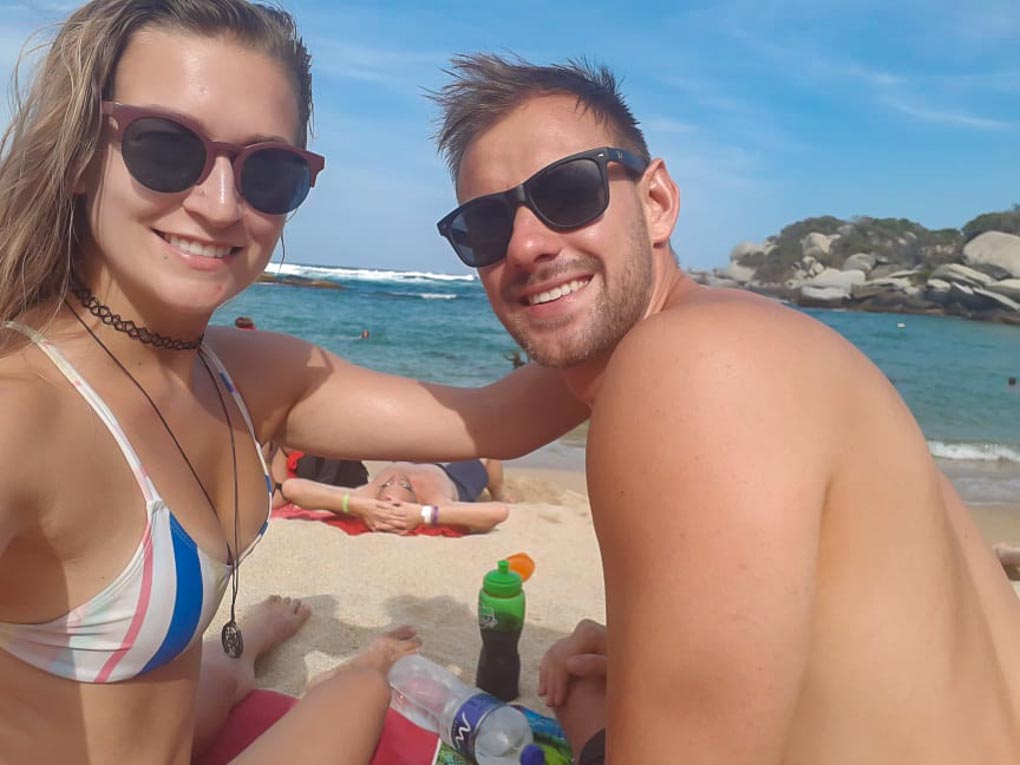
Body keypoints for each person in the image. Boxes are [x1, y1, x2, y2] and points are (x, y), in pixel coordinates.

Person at [0, 8, 587, 763]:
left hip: (171, 718)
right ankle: (345, 667)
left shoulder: (248, 374)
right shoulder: (24, 413)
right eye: (164, 147)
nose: (219, 204)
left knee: (265, 672)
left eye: (267, 170)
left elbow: (492, 419)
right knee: (362, 689)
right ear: (83, 156)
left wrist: (653, 305)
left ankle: (242, 660)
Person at [431, 54, 1020, 762]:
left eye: (568, 190)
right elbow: (470, 414)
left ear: (657, 203)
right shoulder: (772, 344)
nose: (524, 244)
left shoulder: (689, 366)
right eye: (485, 226)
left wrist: (595, 721)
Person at [281, 458, 511, 533]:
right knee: (489, 457)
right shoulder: (434, 501)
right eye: (405, 488)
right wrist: (424, 515)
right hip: (450, 478)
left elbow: (293, 489)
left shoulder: (367, 496)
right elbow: (498, 512)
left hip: (416, 457)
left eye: (387, 485)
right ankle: (498, 489)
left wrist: (354, 505)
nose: (395, 482)